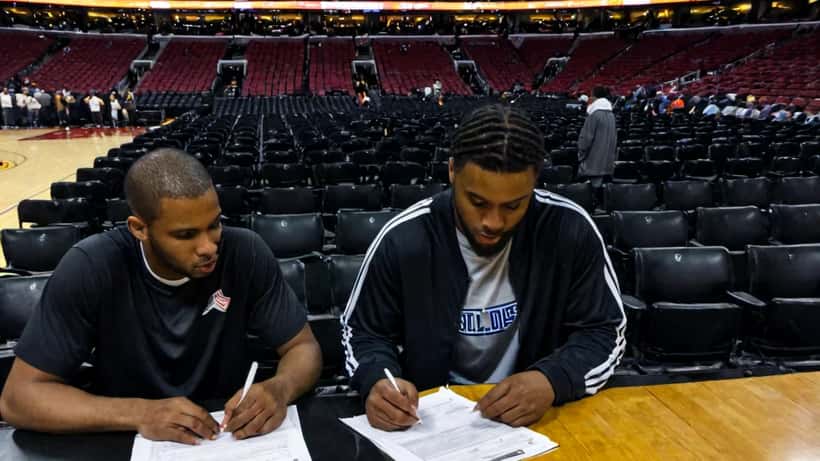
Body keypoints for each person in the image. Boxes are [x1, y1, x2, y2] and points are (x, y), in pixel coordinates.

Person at [0, 149, 322, 444]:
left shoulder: (246, 252)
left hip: (227, 440)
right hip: (129, 440)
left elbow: (303, 348)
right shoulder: (91, 267)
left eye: (213, 225)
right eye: (186, 234)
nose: (208, 247)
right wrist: (141, 414)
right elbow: (18, 399)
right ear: (139, 228)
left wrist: (279, 389)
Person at [341, 105, 624, 431]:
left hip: (537, 420)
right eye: (477, 202)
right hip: (429, 424)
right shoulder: (403, 238)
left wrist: (551, 380)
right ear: (451, 171)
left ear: (534, 182)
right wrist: (378, 379)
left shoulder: (569, 229)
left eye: (514, 205)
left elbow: (605, 330)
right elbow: (362, 331)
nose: (493, 222)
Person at [578, 86, 617, 194]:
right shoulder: (611, 115)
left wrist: (581, 155)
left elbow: (585, 139)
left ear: (594, 97)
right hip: (607, 160)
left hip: (593, 161)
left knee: (591, 192)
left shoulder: (594, 115)